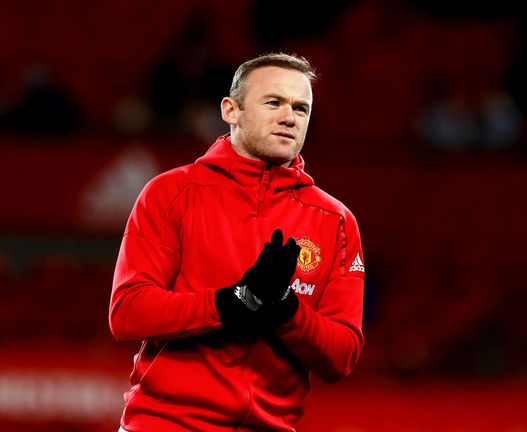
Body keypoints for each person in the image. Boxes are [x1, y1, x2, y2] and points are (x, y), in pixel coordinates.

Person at [109, 53, 365, 432]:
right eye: (273, 102)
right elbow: (128, 312)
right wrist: (234, 302)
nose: (289, 117)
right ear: (231, 110)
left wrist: (284, 309)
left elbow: (341, 356)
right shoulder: (172, 193)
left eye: (301, 108)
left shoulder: (335, 220)